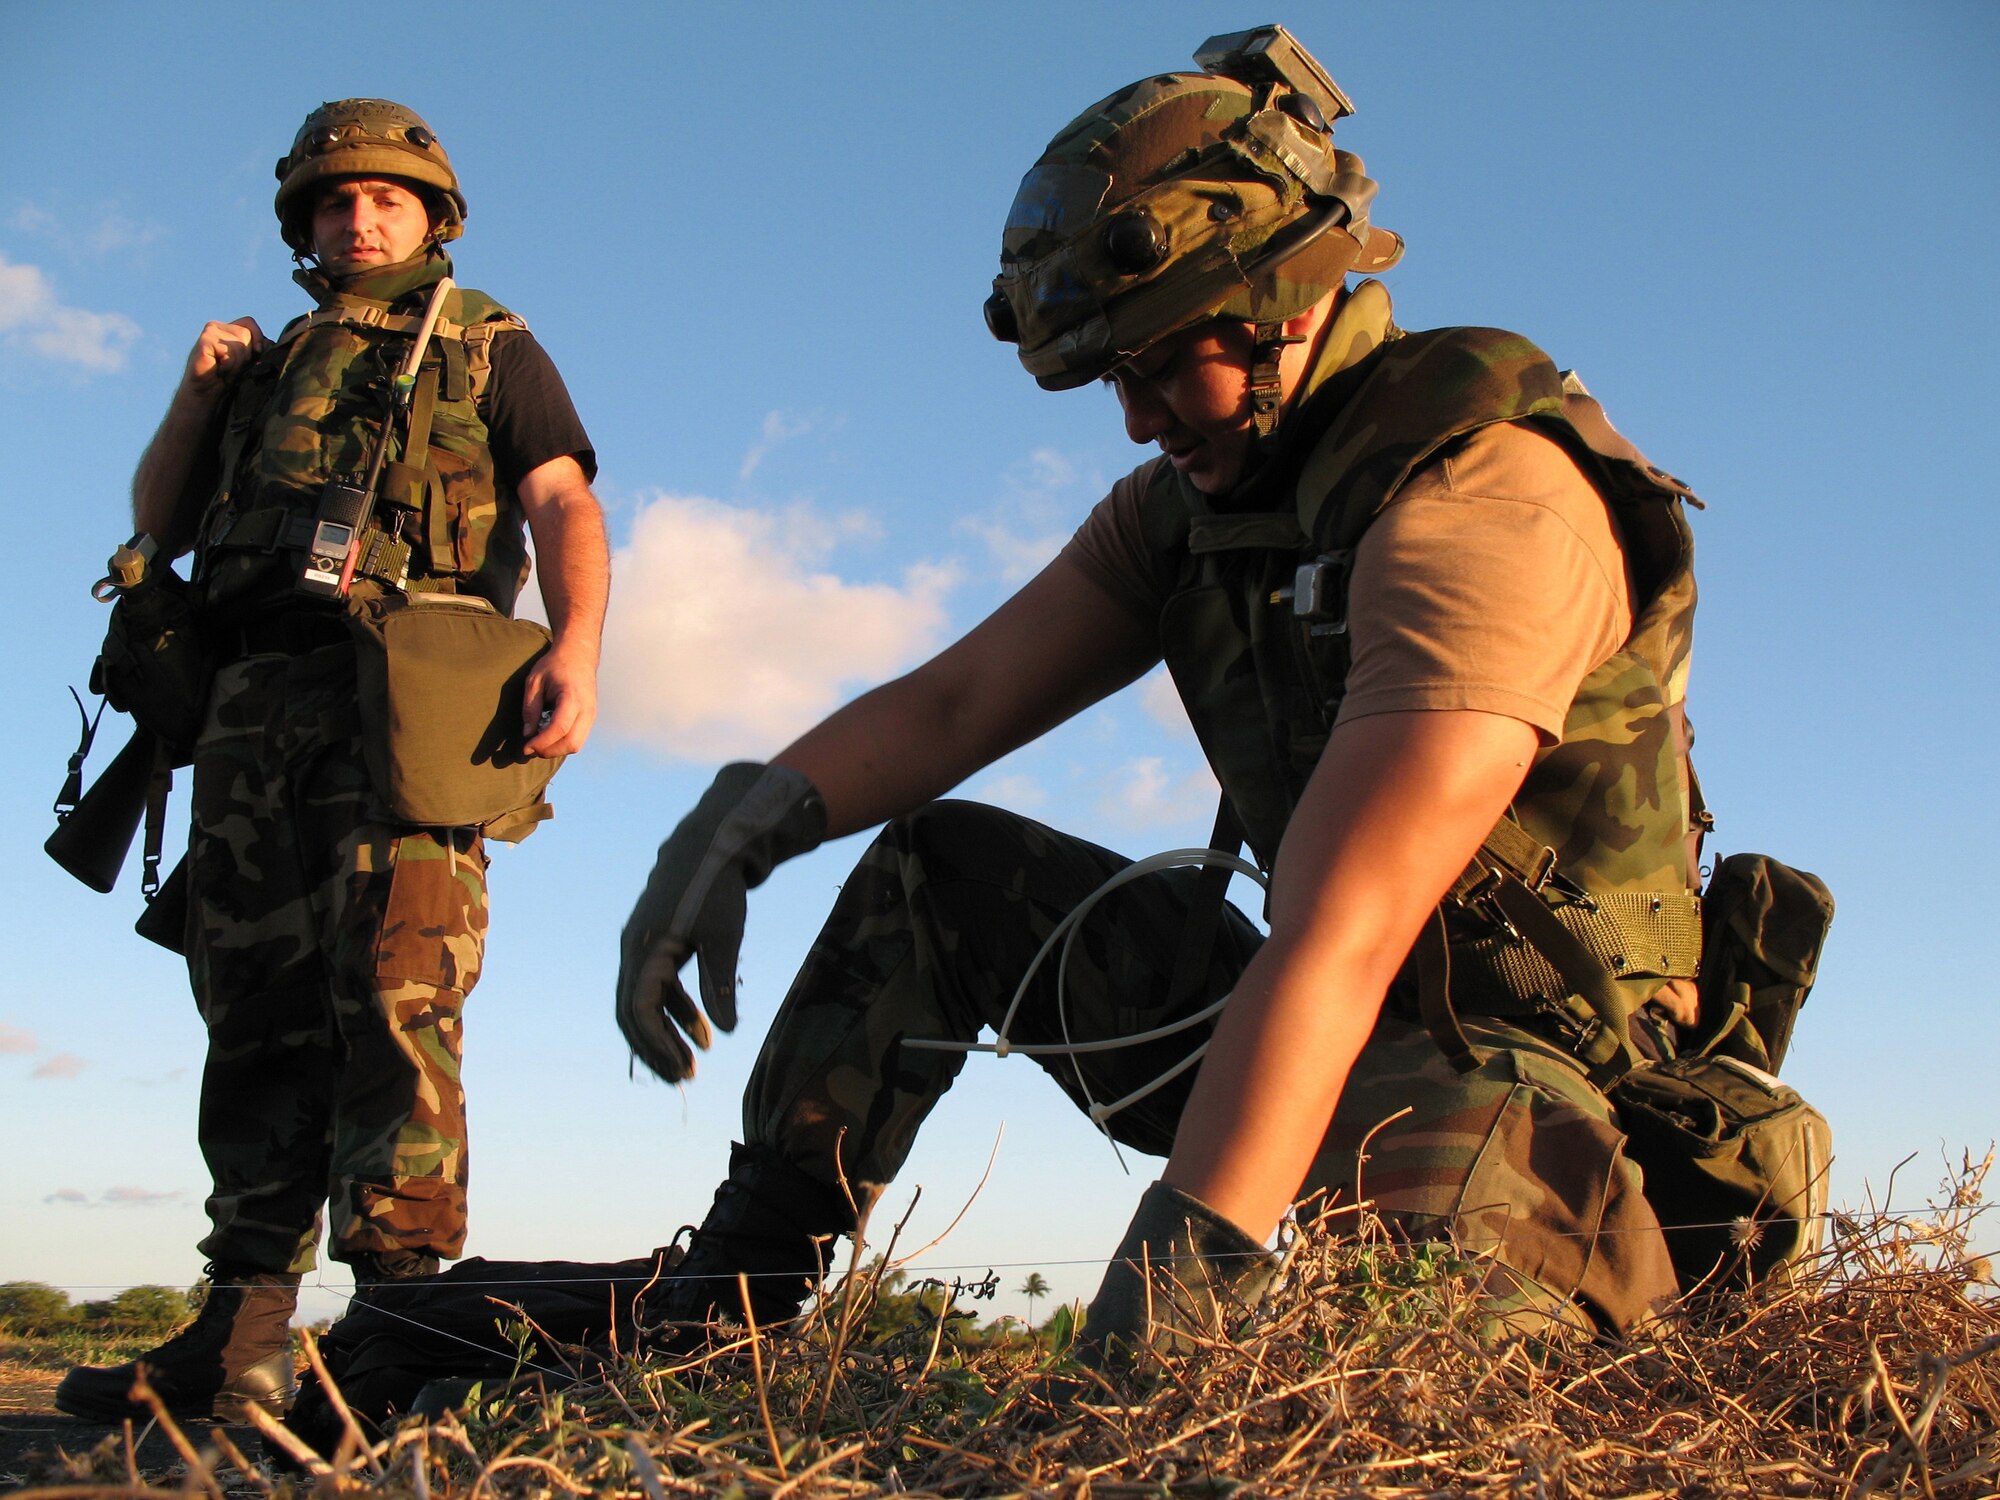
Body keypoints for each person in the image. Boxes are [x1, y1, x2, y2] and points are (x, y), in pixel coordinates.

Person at [615, 26, 1713, 1362]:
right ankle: (717, 1320)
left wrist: (1168, 1305)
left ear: (1286, 301)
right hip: (1312, 1013)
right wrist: (743, 828)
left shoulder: (1483, 505)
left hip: (1522, 1065)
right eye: (1111, 381)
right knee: (936, 871)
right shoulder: (1188, 511)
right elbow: (958, 705)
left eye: (1160, 364)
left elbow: (1346, 933)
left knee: (1404, 1355)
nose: (1139, 419)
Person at [57, 98, 610, 1423]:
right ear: (301, 222)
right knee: (248, 1005)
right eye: (331, 201)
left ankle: (393, 1334)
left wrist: (579, 642)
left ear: (432, 214)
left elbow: (561, 497)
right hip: (251, 700)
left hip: (408, 691)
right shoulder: (265, 359)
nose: (358, 221)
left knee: (396, 995)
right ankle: (239, 1332)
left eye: (385, 199)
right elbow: (160, 525)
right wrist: (197, 395)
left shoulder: (486, 338)